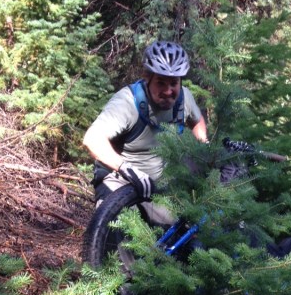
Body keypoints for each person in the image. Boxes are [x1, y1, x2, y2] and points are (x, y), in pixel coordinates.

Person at [83, 40, 208, 223]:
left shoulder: (184, 98)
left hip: (157, 185)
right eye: (160, 83)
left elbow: (197, 120)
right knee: (117, 228)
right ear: (147, 78)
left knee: (174, 235)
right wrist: (126, 168)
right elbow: (92, 139)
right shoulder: (126, 103)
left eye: (174, 83)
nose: (168, 91)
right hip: (119, 180)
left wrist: (204, 144)